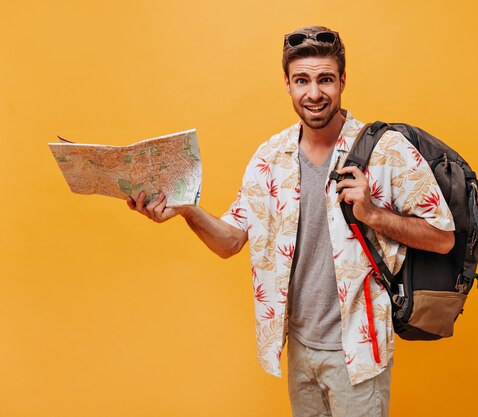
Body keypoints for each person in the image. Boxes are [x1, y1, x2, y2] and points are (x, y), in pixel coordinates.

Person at [127, 26, 455, 417]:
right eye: (302, 80)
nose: (313, 93)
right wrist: (186, 210)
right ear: (287, 84)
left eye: (325, 80)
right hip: (299, 348)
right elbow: (230, 241)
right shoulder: (271, 156)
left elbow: (443, 238)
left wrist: (373, 214)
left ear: (343, 81)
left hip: (358, 351)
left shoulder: (386, 151)